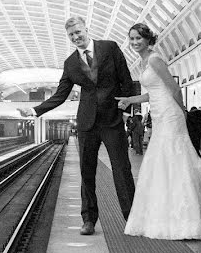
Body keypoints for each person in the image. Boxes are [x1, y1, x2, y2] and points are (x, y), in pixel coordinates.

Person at [115, 23, 201, 239]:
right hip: (160, 115)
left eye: (138, 38)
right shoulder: (144, 62)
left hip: (170, 114)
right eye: (131, 39)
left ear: (148, 39)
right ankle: (168, 217)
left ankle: (185, 221)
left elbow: (174, 88)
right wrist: (130, 100)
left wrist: (183, 112)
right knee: (163, 161)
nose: (134, 43)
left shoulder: (154, 59)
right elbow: (153, 92)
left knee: (175, 158)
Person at [20, 16, 135, 235]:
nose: (76, 37)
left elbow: (126, 80)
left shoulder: (109, 48)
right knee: (87, 171)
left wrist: (126, 111)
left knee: (122, 169)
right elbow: (61, 94)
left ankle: (132, 218)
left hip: (113, 120)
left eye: (78, 32)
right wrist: (36, 110)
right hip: (87, 123)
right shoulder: (71, 63)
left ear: (86, 29)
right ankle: (89, 220)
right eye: (72, 35)